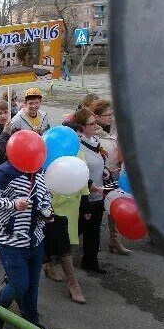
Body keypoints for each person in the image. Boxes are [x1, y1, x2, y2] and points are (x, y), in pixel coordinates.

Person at [0, 156, 52, 329]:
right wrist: (13, 204)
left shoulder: (40, 170)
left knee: (33, 283)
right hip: (11, 241)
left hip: (36, 240)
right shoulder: (4, 173)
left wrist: (47, 211)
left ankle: (30, 321)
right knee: (19, 285)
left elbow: (45, 195)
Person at [43, 121, 88, 304]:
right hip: (53, 203)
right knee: (64, 246)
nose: (77, 139)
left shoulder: (80, 153)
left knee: (66, 241)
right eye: (74, 135)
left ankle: (50, 265)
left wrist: (85, 202)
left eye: (78, 136)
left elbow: (82, 177)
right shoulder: (48, 149)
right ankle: (73, 284)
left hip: (72, 203)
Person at [91, 99, 130, 255]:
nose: (111, 117)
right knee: (97, 209)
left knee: (114, 205)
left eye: (111, 114)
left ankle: (114, 239)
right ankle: (91, 242)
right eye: (108, 115)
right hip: (99, 177)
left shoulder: (110, 127)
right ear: (97, 116)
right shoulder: (93, 132)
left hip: (113, 174)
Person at [73, 107, 107, 274]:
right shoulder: (77, 146)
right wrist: (89, 182)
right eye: (91, 123)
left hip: (98, 194)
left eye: (95, 122)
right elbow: (76, 169)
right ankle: (53, 255)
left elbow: (98, 161)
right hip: (84, 196)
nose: (96, 125)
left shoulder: (94, 140)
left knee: (93, 231)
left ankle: (90, 260)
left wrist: (105, 170)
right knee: (78, 228)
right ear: (82, 127)